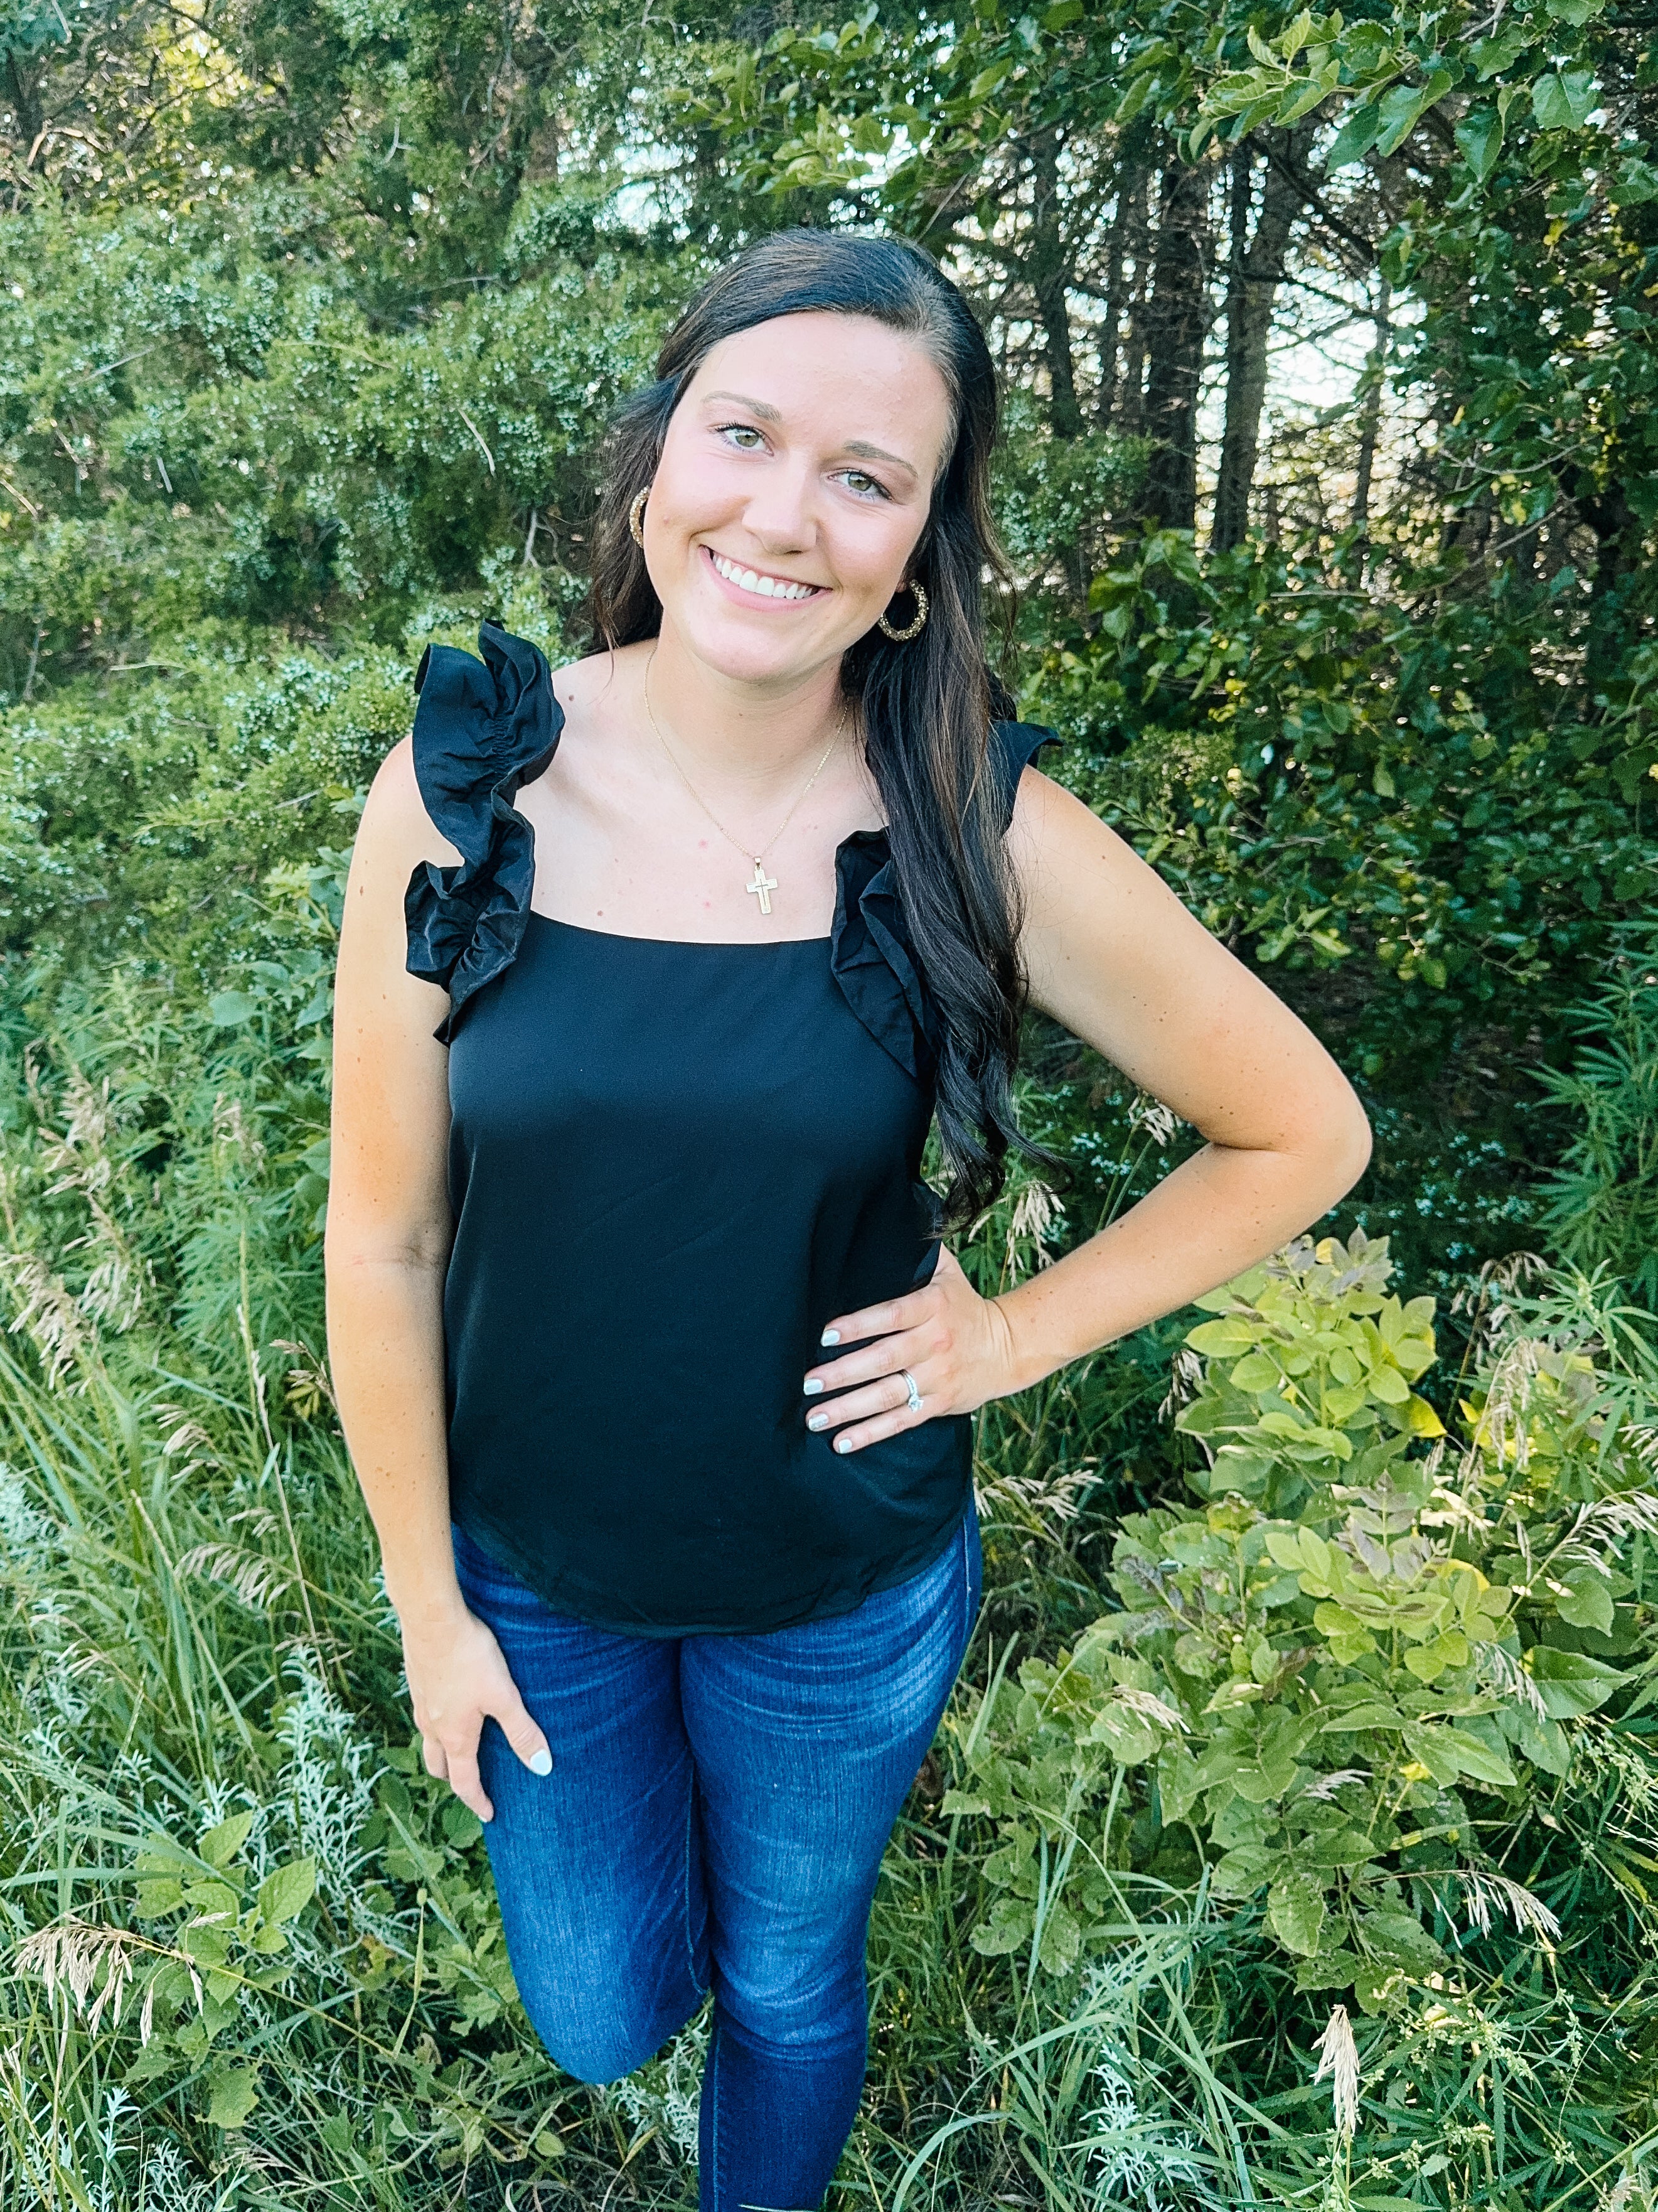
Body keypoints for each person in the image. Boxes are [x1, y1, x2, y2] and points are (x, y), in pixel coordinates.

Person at [324, 227, 1371, 2210]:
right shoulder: (467, 788)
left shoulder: (978, 822)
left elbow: (1297, 1130)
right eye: (744, 434)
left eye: (865, 477)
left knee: (791, 1982)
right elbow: (380, 1238)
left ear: (917, 550)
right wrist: (427, 1610)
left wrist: (1012, 1335)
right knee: (603, 2009)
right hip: (538, 1569)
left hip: (838, 1584)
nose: (784, 516)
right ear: (656, 459)